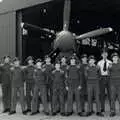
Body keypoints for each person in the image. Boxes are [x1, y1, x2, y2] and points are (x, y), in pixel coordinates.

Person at [97, 49, 112, 114]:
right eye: (103, 54)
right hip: (102, 78)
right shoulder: (99, 63)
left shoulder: (110, 62)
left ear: (107, 54)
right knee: (102, 94)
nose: (104, 55)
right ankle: (102, 108)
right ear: (101, 55)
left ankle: (112, 108)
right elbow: (97, 72)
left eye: (106, 53)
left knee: (110, 94)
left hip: (109, 78)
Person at [109, 52, 120, 117]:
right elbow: (108, 73)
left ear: (118, 58)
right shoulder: (110, 65)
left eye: (116, 57)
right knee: (112, 98)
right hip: (112, 84)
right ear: (112, 58)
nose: (115, 58)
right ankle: (112, 111)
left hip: (119, 83)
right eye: (114, 57)